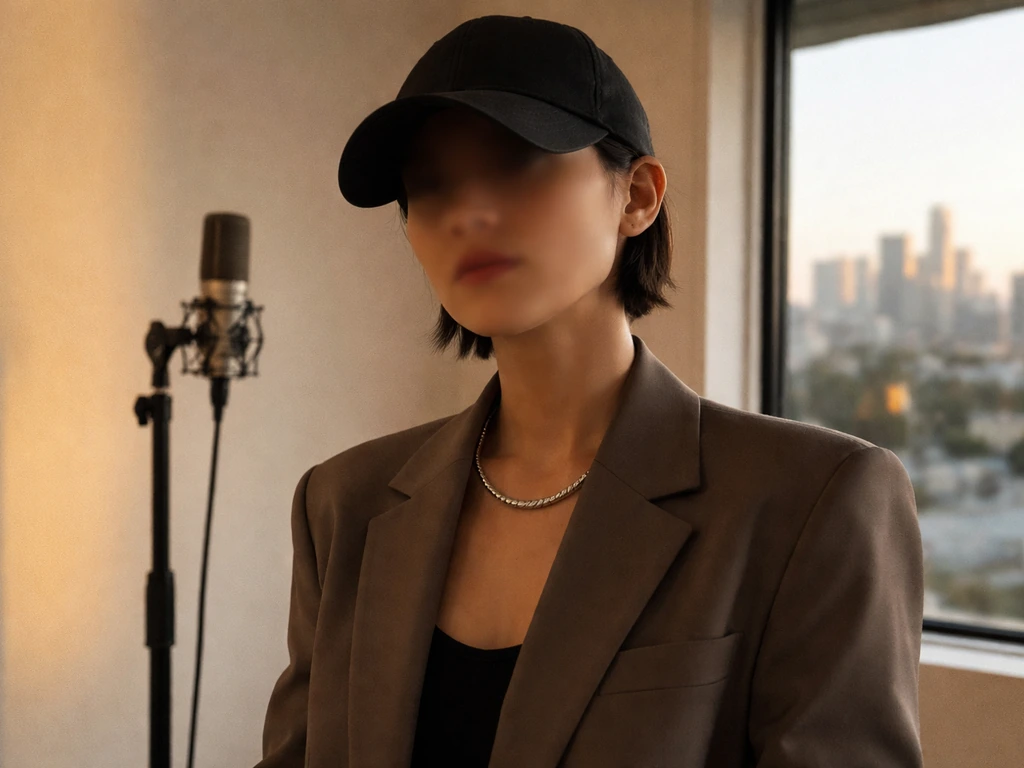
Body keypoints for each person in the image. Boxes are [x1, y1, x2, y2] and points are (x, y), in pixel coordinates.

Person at [256, 14, 924, 768]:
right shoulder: (344, 504)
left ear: (637, 195)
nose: (466, 214)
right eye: (430, 184)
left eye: (516, 162)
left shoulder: (809, 502)